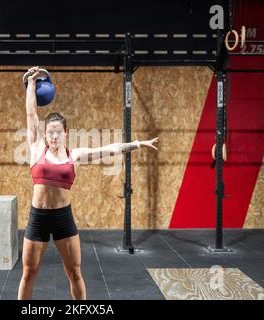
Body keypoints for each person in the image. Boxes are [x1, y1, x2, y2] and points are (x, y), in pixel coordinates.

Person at [18, 66, 159, 300]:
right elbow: (31, 114)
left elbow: (107, 149)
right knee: (28, 273)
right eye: (50, 132)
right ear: (45, 135)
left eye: (58, 132)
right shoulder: (35, 150)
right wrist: (31, 83)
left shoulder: (75, 155)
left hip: (63, 218)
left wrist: (137, 144)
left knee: (74, 273)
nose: (54, 136)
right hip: (38, 219)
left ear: (66, 133)